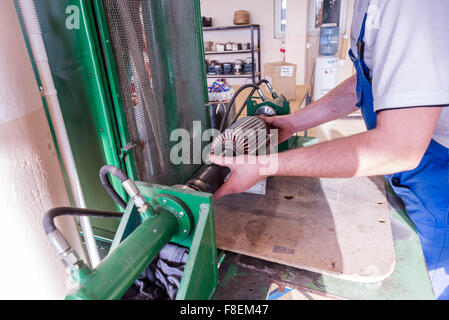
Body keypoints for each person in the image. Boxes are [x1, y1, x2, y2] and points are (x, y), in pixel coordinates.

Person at [209, 0, 449, 299]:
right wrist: (295, 122)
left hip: (439, 185)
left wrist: (265, 165)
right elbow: (365, 83)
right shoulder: (366, 7)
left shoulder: (411, 7)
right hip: (409, 173)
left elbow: (399, 147)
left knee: (419, 284)